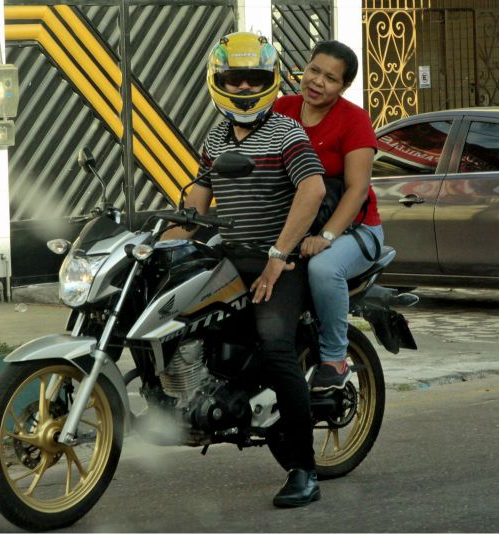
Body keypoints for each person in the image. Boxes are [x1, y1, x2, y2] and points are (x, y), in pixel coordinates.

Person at [162, 31, 326, 508]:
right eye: (233, 80)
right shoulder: (215, 136)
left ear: (270, 81)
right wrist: (172, 236)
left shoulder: (286, 133)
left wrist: (278, 258)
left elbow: (312, 190)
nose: (242, 88)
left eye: (252, 79)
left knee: (276, 350)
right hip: (230, 258)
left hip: (279, 260)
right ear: (219, 82)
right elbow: (199, 192)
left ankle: (303, 469)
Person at [273, 40, 383, 392]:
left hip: (355, 228)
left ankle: (334, 359)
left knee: (324, 267)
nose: (318, 82)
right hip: (295, 223)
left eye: (330, 78)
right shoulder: (280, 109)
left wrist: (327, 238)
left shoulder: (354, 120)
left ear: (344, 87)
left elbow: (357, 190)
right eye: (314, 71)